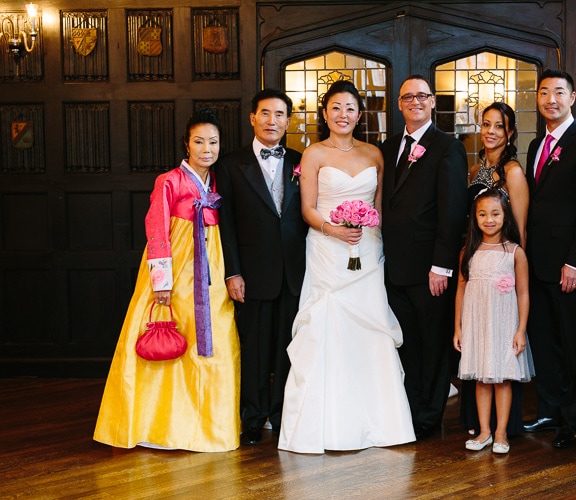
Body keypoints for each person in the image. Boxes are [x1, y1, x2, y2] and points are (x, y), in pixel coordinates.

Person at [278, 80, 415, 454]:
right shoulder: (314, 154)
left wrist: (379, 240)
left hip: (368, 250)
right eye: (336, 108)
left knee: (370, 326)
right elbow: (307, 208)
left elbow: (382, 209)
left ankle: (381, 421)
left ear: (359, 114)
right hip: (326, 249)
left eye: (350, 108)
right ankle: (323, 423)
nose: (343, 115)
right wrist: (333, 229)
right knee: (326, 325)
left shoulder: (374, 155)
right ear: (325, 114)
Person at [94, 109, 240, 452]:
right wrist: (162, 280)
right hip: (177, 270)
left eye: (213, 142)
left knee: (214, 342)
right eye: (199, 141)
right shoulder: (169, 181)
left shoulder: (219, 181)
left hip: (212, 272)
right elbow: (157, 229)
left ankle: (207, 427)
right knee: (172, 341)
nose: (207, 148)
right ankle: (159, 425)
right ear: (186, 145)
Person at [523, 69, 576, 448]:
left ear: (572, 98)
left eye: (559, 92)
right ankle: (549, 411)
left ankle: (573, 422)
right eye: (544, 93)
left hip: (568, 267)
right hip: (537, 262)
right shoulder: (535, 145)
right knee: (544, 342)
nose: (551, 99)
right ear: (537, 98)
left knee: (574, 346)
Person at [215, 89, 306, 445]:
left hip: (295, 271)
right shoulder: (230, 164)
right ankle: (252, 418)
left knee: (289, 347)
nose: (273, 121)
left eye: (280, 115)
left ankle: (282, 415)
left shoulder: (302, 159)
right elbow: (227, 224)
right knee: (253, 348)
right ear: (253, 118)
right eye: (265, 114)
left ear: (287, 121)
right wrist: (232, 272)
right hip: (252, 273)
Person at [381, 75, 468, 440]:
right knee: (406, 343)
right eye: (407, 97)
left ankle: (430, 415)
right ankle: (410, 409)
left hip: (430, 267)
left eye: (422, 96)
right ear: (399, 105)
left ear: (432, 102)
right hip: (392, 265)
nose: (415, 102)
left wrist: (441, 265)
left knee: (433, 343)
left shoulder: (447, 147)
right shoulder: (388, 148)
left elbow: (452, 210)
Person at [462, 102, 529, 438]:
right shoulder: (475, 171)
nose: (490, 131)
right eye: (485, 124)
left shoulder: (513, 171)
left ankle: (503, 429)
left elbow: (521, 227)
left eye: (498, 126)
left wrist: (514, 271)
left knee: (501, 358)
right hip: (476, 265)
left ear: (510, 133)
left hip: (504, 270)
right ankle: (480, 426)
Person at [454, 188, 534, 454]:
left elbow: (523, 293)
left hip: (503, 323)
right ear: (475, 218)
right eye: (483, 214)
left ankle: (501, 433)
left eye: (495, 214)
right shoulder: (468, 251)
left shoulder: (514, 252)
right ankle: (484, 432)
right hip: (476, 323)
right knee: (481, 378)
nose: (489, 219)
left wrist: (521, 330)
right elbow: (461, 290)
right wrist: (458, 328)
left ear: (505, 216)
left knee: (502, 379)